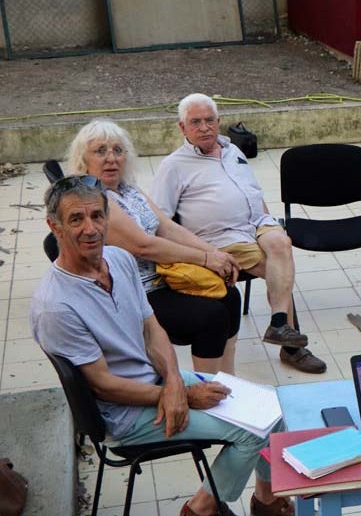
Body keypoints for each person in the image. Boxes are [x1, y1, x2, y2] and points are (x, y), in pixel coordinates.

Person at [31, 175, 298, 516]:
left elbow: (152, 328)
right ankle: (201, 511)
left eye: (97, 216)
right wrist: (178, 395)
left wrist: (174, 381)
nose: (90, 229)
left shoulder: (118, 259)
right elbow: (103, 385)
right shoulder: (56, 306)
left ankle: (266, 499)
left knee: (270, 406)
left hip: (157, 384)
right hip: (123, 414)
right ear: (55, 226)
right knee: (253, 432)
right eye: (76, 219)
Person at [152, 93, 326, 374]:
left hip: (256, 224)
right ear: (182, 127)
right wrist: (199, 252)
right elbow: (160, 219)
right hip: (221, 239)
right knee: (279, 269)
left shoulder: (233, 150)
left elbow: (252, 190)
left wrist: (267, 222)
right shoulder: (173, 166)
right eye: (195, 122)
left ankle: (280, 326)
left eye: (209, 120)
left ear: (219, 121)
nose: (204, 127)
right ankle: (290, 346)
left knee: (282, 244)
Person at [65, 118, 242, 375]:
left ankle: (229, 380)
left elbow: (167, 227)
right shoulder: (94, 199)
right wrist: (205, 259)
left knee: (230, 295)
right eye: (100, 151)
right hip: (134, 292)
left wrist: (215, 253)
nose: (111, 158)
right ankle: (209, 386)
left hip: (165, 277)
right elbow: (143, 246)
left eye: (118, 150)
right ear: (84, 159)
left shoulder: (128, 189)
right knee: (211, 316)